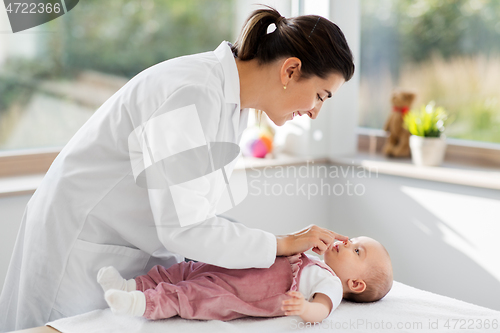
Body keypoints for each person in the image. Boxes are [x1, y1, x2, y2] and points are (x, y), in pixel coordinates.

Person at [0, 6, 355, 331]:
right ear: (290, 70)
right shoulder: (193, 93)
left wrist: (273, 251)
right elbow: (185, 226)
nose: (315, 112)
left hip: (127, 249)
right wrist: (279, 243)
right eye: (321, 95)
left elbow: (193, 211)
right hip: (79, 249)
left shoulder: (233, 104)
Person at [98, 237, 393, 323]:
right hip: (237, 267)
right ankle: (130, 285)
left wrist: (304, 308)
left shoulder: (329, 283)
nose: (347, 242)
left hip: (244, 289)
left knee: (194, 294)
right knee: (185, 270)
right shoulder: (315, 259)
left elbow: (322, 310)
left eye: (357, 250)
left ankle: (138, 304)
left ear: (355, 284)